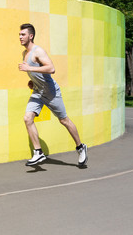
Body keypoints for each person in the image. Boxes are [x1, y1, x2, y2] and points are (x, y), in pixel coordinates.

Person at [18, 23, 88, 167]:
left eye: (23, 34)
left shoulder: (38, 51)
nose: (20, 37)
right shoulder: (25, 53)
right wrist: (32, 81)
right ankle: (38, 152)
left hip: (51, 92)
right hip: (37, 92)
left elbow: (51, 68)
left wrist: (28, 68)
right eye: (19, 34)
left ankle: (81, 147)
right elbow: (36, 71)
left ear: (31, 36)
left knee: (64, 121)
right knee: (27, 118)